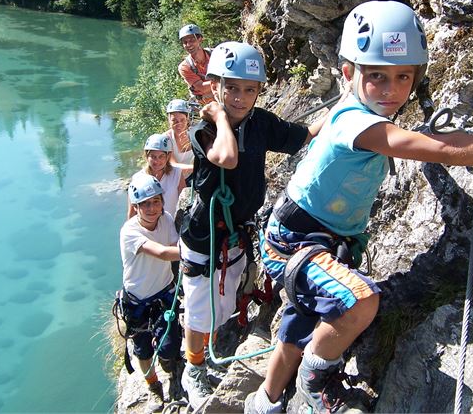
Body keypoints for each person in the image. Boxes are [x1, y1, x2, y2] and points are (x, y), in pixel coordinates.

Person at [245, 0, 473, 414]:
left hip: (308, 234)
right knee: (359, 301)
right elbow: (444, 150)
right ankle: (317, 382)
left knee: (298, 326)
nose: (390, 91)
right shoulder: (359, 124)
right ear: (350, 74)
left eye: (403, 76)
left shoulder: (352, 109)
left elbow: (420, 140)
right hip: (297, 242)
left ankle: (264, 401)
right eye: (377, 77)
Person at [178, 41, 329, 410]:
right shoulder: (204, 132)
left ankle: (205, 355)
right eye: (231, 88)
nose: (240, 98)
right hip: (204, 237)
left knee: (223, 301)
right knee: (199, 310)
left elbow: (304, 134)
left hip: (237, 233)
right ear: (215, 87)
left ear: (259, 91)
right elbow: (227, 158)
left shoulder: (260, 123)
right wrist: (217, 117)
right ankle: (192, 369)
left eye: (250, 89)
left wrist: (349, 108)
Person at [119, 174, 183, 410]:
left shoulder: (165, 219)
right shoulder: (129, 232)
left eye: (156, 201)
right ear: (135, 207)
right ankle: (152, 382)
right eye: (145, 203)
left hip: (164, 293)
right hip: (138, 300)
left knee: (170, 346)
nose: (152, 207)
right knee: (143, 348)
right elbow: (162, 253)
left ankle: (169, 359)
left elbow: (174, 245)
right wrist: (199, 254)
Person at [127, 133, 185, 221]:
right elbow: (132, 213)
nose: (157, 161)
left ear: (168, 156)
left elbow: (183, 203)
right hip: (149, 229)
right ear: (147, 156)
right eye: (153, 156)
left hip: (172, 227)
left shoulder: (177, 174)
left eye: (161, 156)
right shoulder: (137, 179)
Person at [177, 24, 214, 105]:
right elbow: (202, 88)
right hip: (207, 102)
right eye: (185, 42)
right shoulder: (185, 66)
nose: (188, 45)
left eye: (192, 40)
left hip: (223, 93)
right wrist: (226, 81)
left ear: (200, 39)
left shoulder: (215, 54)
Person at [165, 98, 194, 168]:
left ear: (187, 119)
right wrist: (195, 168)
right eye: (174, 120)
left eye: (182, 120)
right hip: (176, 177)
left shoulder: (195, 134)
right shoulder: (166, 139)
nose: (179, 124)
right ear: (169, 120)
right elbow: (172, 164)